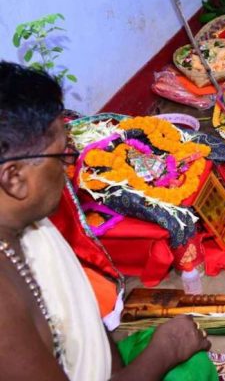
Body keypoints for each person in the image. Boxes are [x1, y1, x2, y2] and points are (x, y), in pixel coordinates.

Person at [0, 62, 212, 380]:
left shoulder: (31, 226)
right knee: (184, 357)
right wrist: (167, 349)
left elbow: (81, 317)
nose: (70, 166)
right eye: (62, 155)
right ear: (14, 179)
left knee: (192, 365)